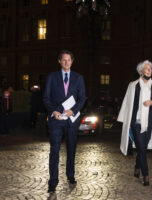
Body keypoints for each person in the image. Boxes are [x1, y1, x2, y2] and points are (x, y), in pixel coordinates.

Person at [117, 60, 152, 186]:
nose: (149, 70)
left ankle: (137, 167)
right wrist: (125, 120)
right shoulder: (133, 85)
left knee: (142, 148)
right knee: (141, 148)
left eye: (150, 69)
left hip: (150, 122)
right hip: (136, 122)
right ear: (141, 71)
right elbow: (127, 102)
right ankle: (145, 175)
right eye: (146, 69)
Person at [43, 50, 86, 194]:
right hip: (56, 120)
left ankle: (70, 175)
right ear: (59, 61)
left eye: (69, 60)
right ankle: (53, 181)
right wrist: (52, 111)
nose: (67, 62)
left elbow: (82, 98)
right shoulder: (51, 77)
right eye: (64, 60)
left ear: (72, 62)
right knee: (54, 150)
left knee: (71, 149)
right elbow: (46, 98)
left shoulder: (79, 78)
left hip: (71, 120)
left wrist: (72, 110)